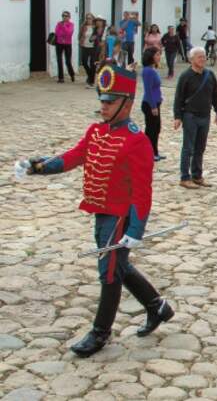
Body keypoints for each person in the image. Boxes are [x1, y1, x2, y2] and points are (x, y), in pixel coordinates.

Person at [14, 62, 174, 357]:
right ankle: (158, 307)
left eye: (109, 101)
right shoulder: (97, 132)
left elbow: (142, 192)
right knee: (117, 266)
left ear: (126, 104)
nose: (103, 106)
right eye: (102, 100)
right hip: (101, 211)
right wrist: (37, 166)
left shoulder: (137, 141)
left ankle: (100, 333)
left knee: (110, 273)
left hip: (120, 216)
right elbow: (72, 157)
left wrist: (136, 230)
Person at [173, 47, 217, 189]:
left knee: (200, 147)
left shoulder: (210, 75)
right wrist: (177, 117)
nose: (203, 59)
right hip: (190, 116)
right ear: (192, 59)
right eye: (199, 57)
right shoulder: (186, 76)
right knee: (188, 147)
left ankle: (197, 175)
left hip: (205, 116)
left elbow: (215, 95)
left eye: (204, 56)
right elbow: (178, 97)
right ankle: (184, 177)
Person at [140, 47, 164, 162]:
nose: (159, 57)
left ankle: (155, 151)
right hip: (150, 104)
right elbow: (148, 90)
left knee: (157, 128)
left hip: (156, 103)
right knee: (151, 130)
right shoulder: (147, 71)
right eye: (157, 55)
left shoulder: (152, 69)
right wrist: (153, 106)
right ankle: (148, 152)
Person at [52, 10, 76, 83]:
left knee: (68, 61)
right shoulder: (59, 23)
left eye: (66, 16)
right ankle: (61, 78)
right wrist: (63, 33)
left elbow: (69, 33)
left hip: (68, 44)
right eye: (63, 16)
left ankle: (72, 74)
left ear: (69, 17)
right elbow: (57, 32)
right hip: (59, 43)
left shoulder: (71, 24)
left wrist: (64, 26)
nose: (64, 17)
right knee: (59, 60)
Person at [79, 13, 97, 87]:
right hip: (85, 46)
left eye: (90, 18)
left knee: (93, 64)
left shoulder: (95, 27)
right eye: (87, 18)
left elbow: (98, 37)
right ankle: (90, 75)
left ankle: (91, 80)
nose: (88, 19)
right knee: (84, 62)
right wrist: (80, 41)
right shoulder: (83, 27)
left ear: (93, 19)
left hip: (93, 47)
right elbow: (80, 35)